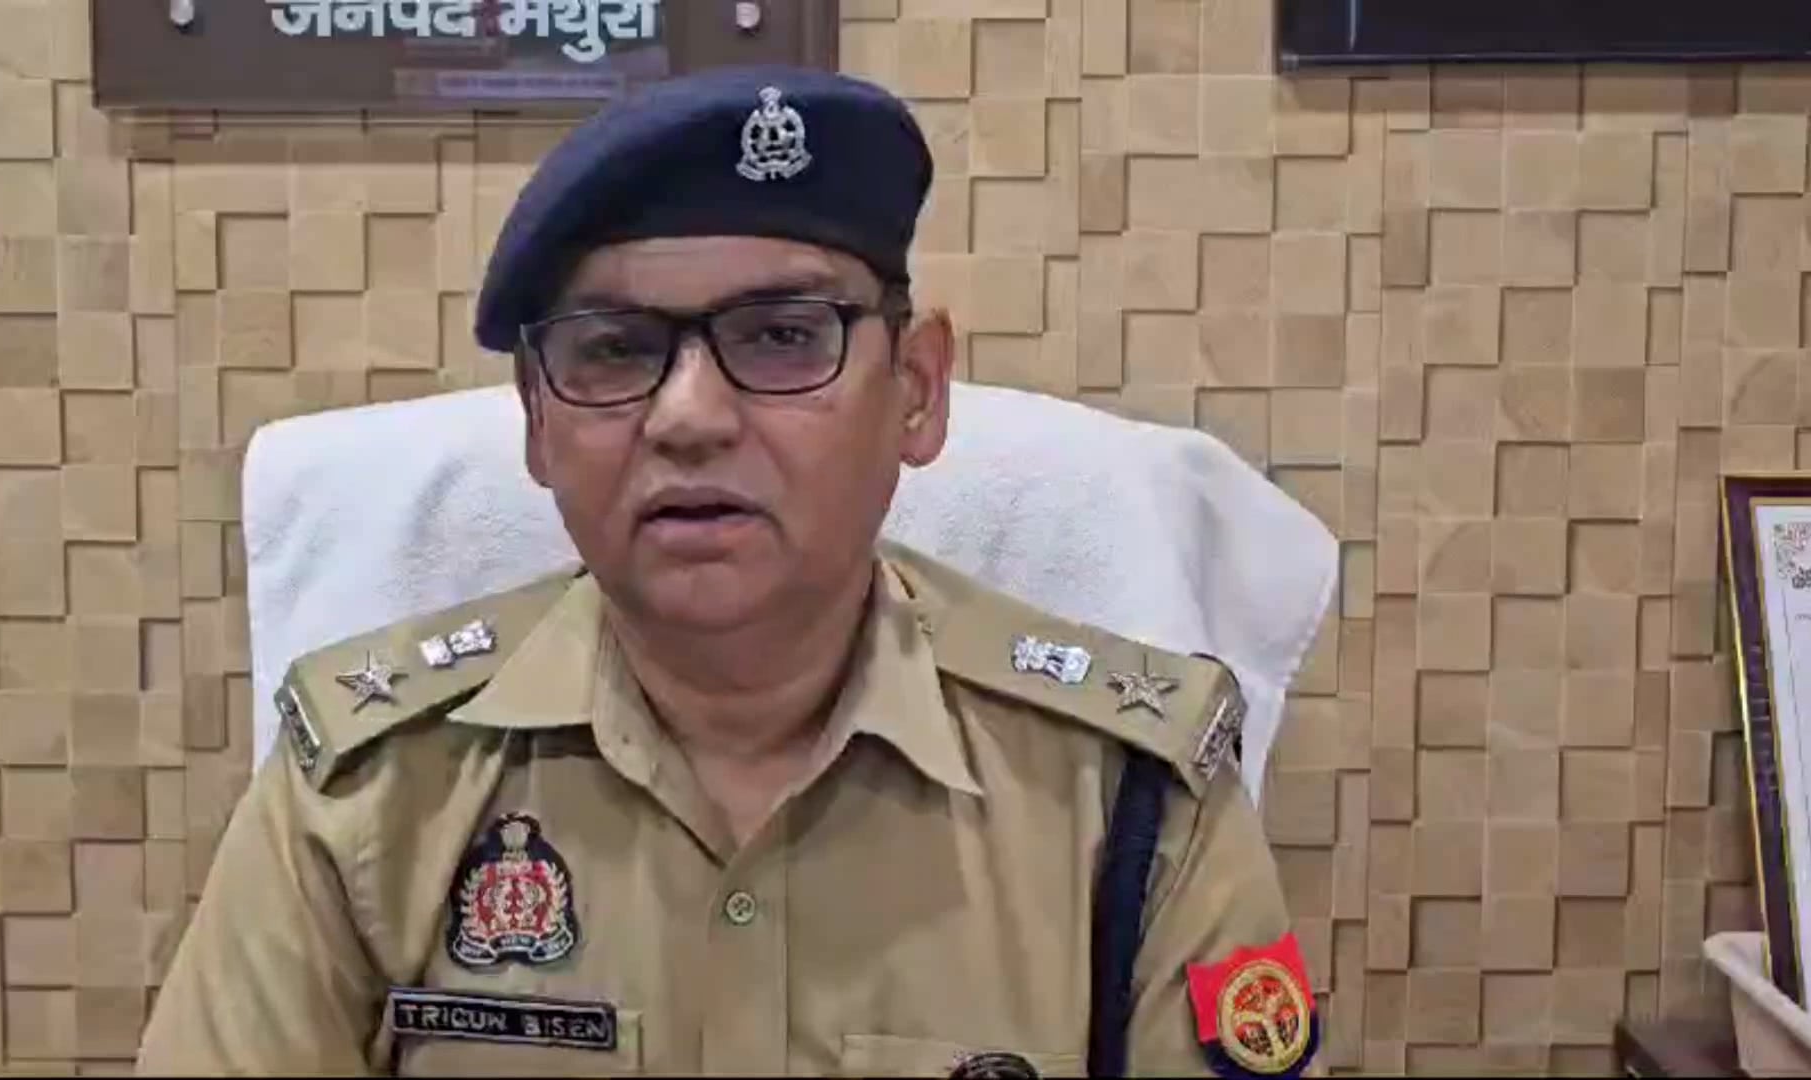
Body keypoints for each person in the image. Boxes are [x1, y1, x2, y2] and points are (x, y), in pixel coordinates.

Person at [136, 65, 1317, 1079]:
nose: (689, 417)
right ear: (539, 423)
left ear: (915, 392)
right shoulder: (363, 793)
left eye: (782, 337)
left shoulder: (1130, 799)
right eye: (614, 351)